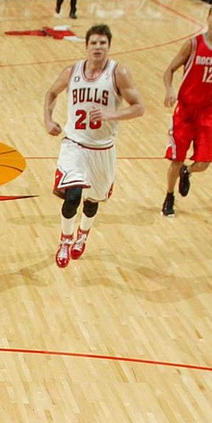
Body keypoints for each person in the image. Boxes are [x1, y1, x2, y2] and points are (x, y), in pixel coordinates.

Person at [44, 21, 142, 268]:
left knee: (92, 201)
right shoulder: (72, 71)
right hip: (74, 143)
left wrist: (111, 115)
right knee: (73, 195)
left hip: (102, 148)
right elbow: (51, 93)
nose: (98, 47)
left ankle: (83, 235)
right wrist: (47, 119)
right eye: (94, 43)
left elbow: (139, 108)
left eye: (102, 43)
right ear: (86, 47)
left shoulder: (119, 73)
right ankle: (65, 240)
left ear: (108, 47)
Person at [161, 0, 212, 216]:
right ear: (208, 16)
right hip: (185, 109)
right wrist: (170, 89)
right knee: (176, 157)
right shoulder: (193, 44)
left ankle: (188, 172)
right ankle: (169, 196)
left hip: (208, 110)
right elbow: (169, 70)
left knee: (204, 161)